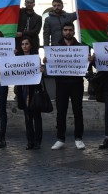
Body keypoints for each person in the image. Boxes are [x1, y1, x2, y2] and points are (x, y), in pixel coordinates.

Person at [49, 22, 86, 150]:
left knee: (78, 111)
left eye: (70, 30)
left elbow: (86, 65)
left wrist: (89, 59)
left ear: (74, 31)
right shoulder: (56, 47)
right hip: (61, 84)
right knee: (61, 112)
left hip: (76, 83)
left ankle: (78, 138)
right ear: (62, 32)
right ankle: (60, 138)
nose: (68, 32)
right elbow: (51, 65)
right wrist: (47, 61)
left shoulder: (81, 47)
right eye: (65, 30)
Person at [13, 37, 43, 150]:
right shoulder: (17, 59)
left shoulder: (36, 58)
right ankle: (30, 141)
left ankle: (37, 141)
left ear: (31, 45)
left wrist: (41, 70)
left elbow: (40, 73)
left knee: (36, 117)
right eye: (22, 44)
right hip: (23, 90)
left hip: (34, 90)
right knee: (27, 117)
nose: (24, 46)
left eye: (27, 44)